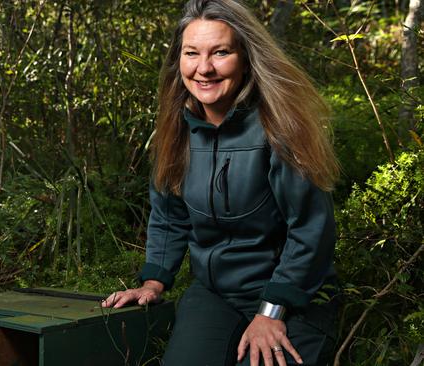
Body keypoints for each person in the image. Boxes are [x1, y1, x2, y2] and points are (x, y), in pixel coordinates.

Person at [101, 1, 340, 365]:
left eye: (221, 52)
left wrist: (271, 312)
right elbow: (169, 215)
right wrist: (153, 281)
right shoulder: (175, 131)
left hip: (292, 297)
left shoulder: (280, 128)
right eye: (192, 53)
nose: (204, 68)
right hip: (215, 293)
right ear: (178, 59)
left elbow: (311, 229)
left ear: (245, 57)